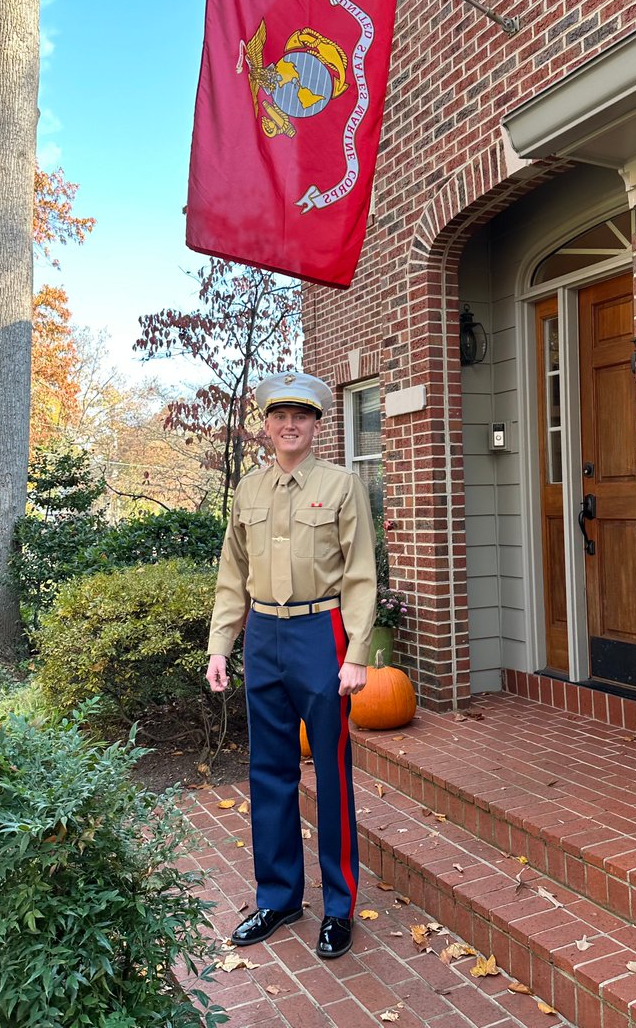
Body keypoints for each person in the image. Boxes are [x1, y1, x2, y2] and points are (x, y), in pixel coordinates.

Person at [205, 371, 377, 960]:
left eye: (300, 417)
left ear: (316, 424)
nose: (289, 426)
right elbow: (233, 574)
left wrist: (356, 653)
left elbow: (360, 572)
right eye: (279, 417)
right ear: (266, 425)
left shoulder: (341, 485)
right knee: (269, 770)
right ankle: (278, 896)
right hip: (263, 635)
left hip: (318, 633)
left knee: (330, 770)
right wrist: (220, 645)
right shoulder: (248, 492)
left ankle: (338, 905)